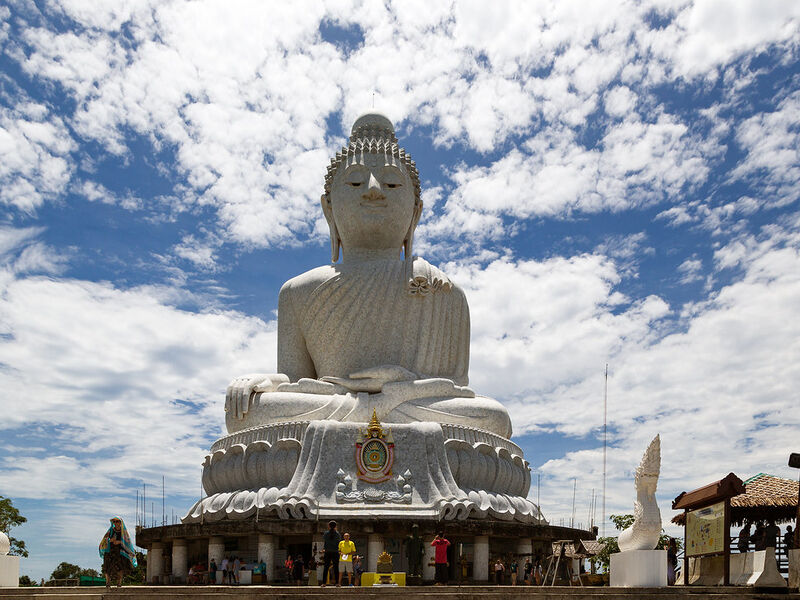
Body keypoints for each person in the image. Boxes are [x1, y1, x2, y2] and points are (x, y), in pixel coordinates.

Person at [224, 113, 513, 440]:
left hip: (408, 406)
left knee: (493, 418)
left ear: (415, 211)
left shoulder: (441, 290)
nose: (374, 191)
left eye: (391, 183)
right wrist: (265, 384)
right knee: (248, 413)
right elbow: (294, 381)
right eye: (355, 182)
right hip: (338, 404)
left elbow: (454, 390)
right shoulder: (297, 292)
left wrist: (400, 389)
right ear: (328, 208)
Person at [98, 516, 137, 589]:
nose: (115, 523)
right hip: (110, 551)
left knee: (120, 567)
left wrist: (120, 542)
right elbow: (104, 540)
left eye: (117, 521)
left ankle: (119, 583)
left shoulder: (124, 532)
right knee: (107, 567)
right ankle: (108, 583)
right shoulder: (110, 531)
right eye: (114, 522)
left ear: (121, 523)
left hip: (120, 552)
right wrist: (110, 540)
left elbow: (128, 542)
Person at [321, 520, 341, 586]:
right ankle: (337, 583)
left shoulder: (326, 533)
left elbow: (324, 540)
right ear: (335, 526)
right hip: (335, 552)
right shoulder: (337, 534)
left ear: (329, 526)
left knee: (326, 567)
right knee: (336, 568)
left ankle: (324, 583)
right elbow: (338, 542)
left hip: (327, 552)